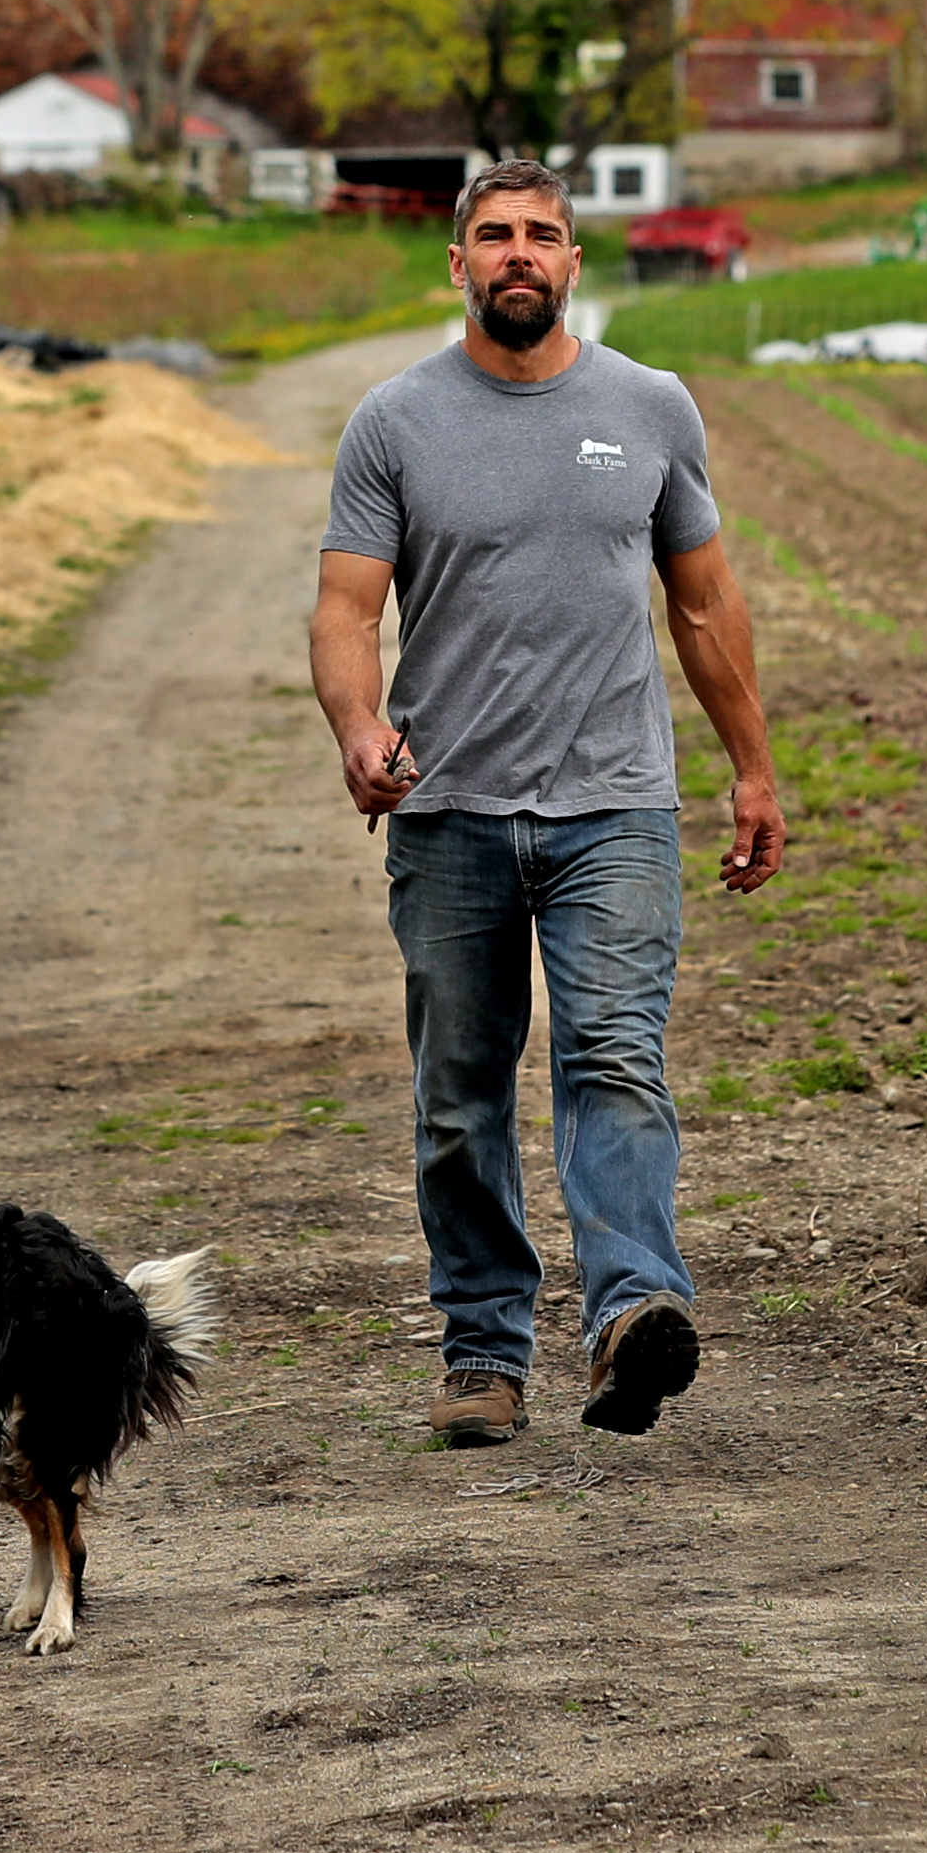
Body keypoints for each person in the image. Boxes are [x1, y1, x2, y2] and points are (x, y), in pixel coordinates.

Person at [311, 159, 786, 1447]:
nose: (519, 253)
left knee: (615, 1057)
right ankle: (483, 1351)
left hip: (615, 807)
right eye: (495, 236)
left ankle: (634, 1316)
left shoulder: (650, 407)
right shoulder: (395, 421)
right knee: (461, 1092)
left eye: (544, 235)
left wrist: (750, 766)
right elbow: (350, 609)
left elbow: (703, 602)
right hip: (449, 808)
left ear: (577, 262)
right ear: (456, 264)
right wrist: (359, 729)